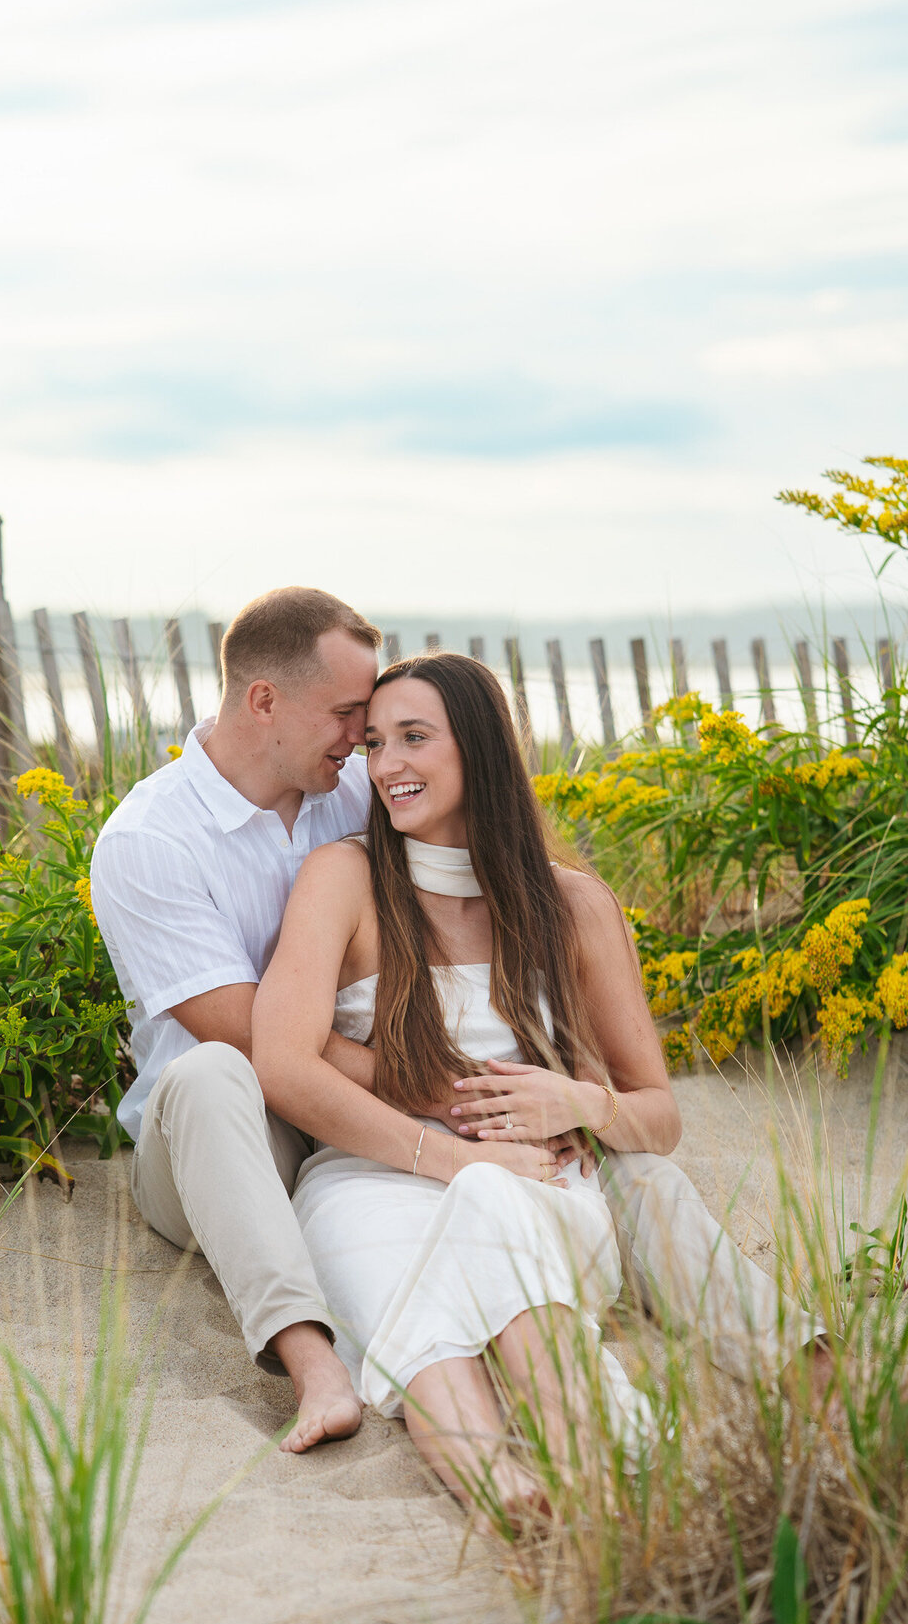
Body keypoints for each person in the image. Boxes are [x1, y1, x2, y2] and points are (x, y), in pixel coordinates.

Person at [90, 594, 824, 1457]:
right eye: (351, 721)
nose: (369, 747)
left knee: (630, 1187)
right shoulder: (151, 838)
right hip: (227, 1138)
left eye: (384, 730)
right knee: (214, 1073)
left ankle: (807, 1380)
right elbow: (257, 1040)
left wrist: (563, 1103)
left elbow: (464, 830)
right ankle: (310, 1358)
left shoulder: (350, 788)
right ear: (264, 703)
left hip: (373, 1114)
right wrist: (447, 1099)